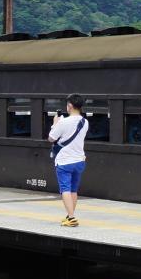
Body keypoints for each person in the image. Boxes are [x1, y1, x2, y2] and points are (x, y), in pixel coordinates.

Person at [48, 95, 89, 227]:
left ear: (70, 106)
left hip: (65, 161)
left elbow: (51, 138)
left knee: (65, 189)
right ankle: (70, 215)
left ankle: (71, 218)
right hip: (79, 161)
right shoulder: (85, 122)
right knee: (73, 190)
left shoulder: (63, 122)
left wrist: (55, 124)